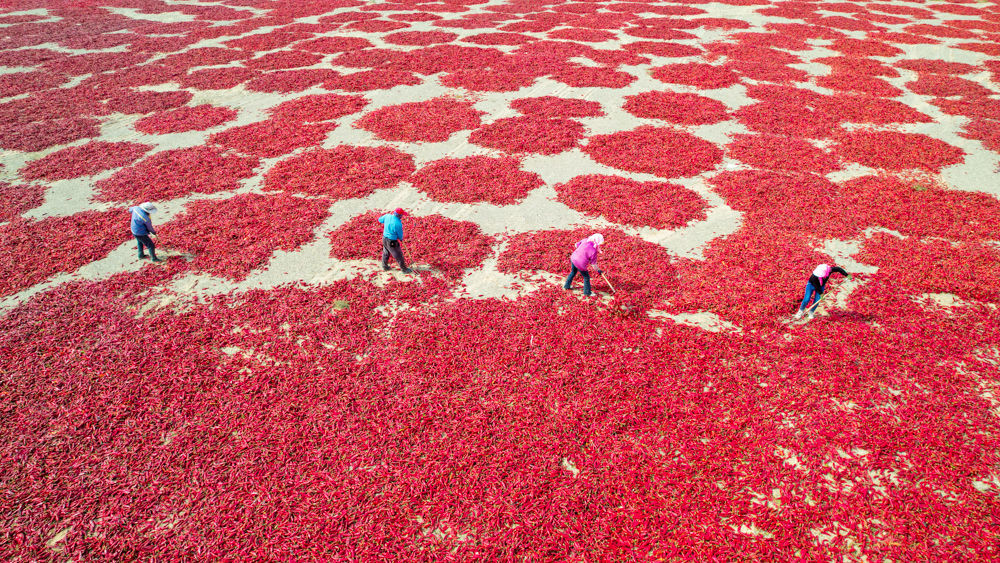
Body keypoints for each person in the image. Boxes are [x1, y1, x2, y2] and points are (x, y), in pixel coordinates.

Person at [378, 208, 412, 274]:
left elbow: (380, 220)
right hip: (392, 241)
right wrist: (401, 239)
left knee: (386, 252)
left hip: (384, 238)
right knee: (398, 255)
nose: (402, 216)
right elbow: (399, 235)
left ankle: (384, 266)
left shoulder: (387, 216)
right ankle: (404, 269)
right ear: (399, 215)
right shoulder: (398, 223)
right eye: (401, 215)